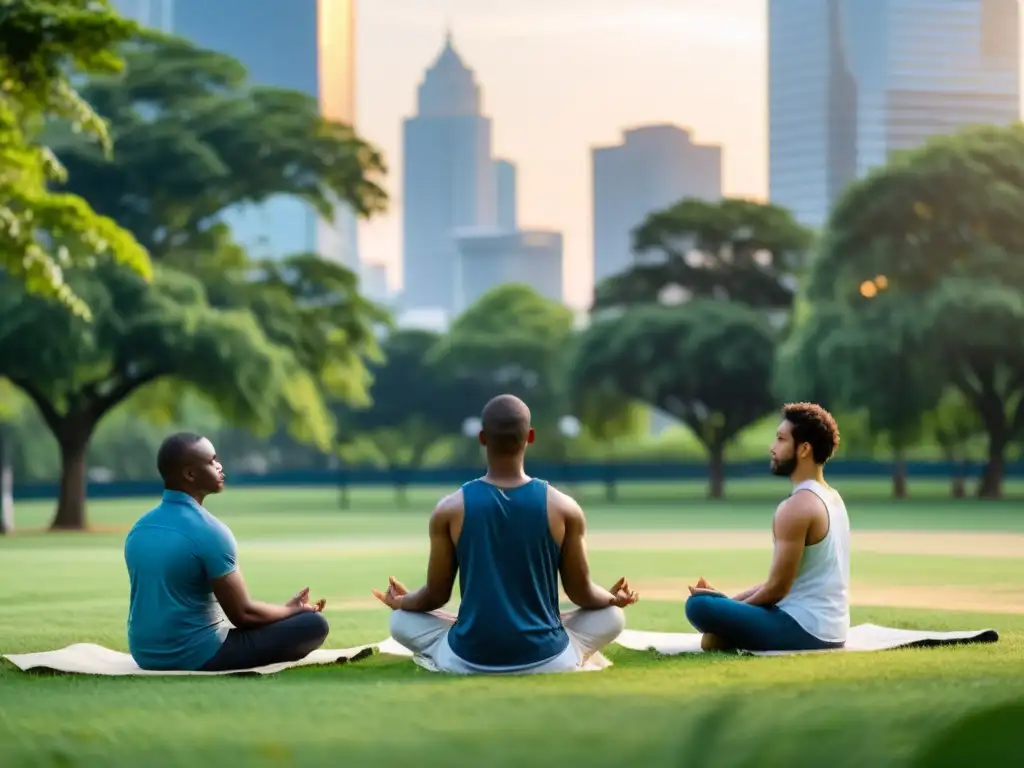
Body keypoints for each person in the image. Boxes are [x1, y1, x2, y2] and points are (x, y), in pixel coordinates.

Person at [373, 394, 638, 675]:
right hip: (549, 658)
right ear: (530, 436)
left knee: (400, 620)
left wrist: (402, 602)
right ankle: (557, 642)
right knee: (612, 617)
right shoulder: (564, 508)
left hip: (466, 658)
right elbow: (581, 592)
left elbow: (435, 597)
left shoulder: (449, 509)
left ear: (483, 437)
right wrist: (610, 600)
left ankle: (461, 638)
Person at [124, 432, 329, 671]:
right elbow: (243, 615)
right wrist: (290, 611)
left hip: (144, 654)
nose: (219, 466)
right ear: (190, 474)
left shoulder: (139, 529)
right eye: (211, 461)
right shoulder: (210, 532)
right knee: (313, 624)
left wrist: (281, 612)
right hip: (194, 654)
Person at [684, 402, 850, 653]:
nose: (772, 447)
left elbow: (776, 589)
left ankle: (725, 632)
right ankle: (726, 626)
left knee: (698, 606)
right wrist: (731, 604)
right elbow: (781, 583)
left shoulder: (797, 506)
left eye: (781, 439)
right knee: (711, 602)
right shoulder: (833, 497)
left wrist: (727, 612)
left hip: (803, 629)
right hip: (832, 629)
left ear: (804, 449)